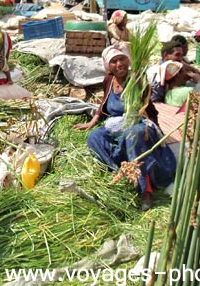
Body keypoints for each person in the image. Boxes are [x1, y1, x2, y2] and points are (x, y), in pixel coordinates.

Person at [74, 44, 177, 210]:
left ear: (128, 60)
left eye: (122, 59)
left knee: (133, 135)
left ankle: (145, 190)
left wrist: (139, 113)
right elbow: (104, 103)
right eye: (113, 61)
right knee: (94, 138)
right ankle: (120, 171)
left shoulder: (137, 78)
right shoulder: (108, 80)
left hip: (140, 123)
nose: (119, 64)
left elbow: (147, 105)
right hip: (117, 124)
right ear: (108, 66)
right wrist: (92, 122)